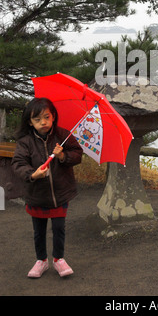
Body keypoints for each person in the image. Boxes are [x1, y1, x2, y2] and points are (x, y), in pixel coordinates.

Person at [12, 97, 83, 278]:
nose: (43, 122)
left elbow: (77, 155)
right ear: (30, 122)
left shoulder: (63, 135)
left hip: (60, 193)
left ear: (53, 117)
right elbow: (18, 163)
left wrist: (62, 156)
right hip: (37, 194)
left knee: (59, 227)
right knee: (39, 230)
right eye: (37, 119)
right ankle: (41, 261)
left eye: (46, 117)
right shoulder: (25, 142)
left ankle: (59, 259)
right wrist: (32, 174)